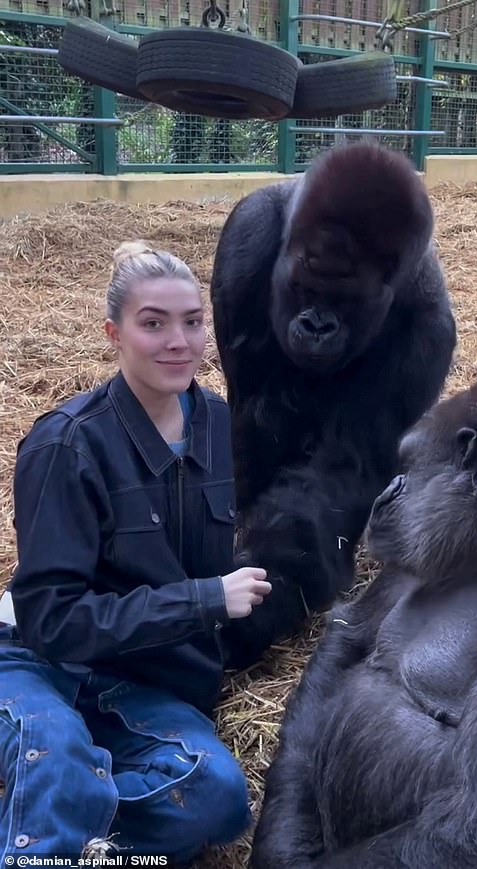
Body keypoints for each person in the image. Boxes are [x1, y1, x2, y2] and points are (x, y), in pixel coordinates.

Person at [0, 241, 272, 862]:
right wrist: (203, 601)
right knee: (61, 759)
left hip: (141, 679)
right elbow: (51, 621)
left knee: (215, 793)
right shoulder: (66, 445)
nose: (179, 341)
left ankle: (63, 836)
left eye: (193, 321)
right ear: (114, 334)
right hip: (38, 660)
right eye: (153, 323)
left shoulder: (221, 427)